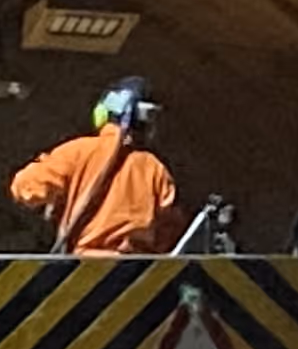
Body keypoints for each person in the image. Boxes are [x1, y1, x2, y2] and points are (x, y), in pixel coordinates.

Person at [10, 78, 179, 255]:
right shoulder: (154, 169)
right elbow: (169, 230)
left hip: (82, 271)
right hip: (136, 272)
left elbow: (26, 188)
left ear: (102, 113)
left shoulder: (76, 152)